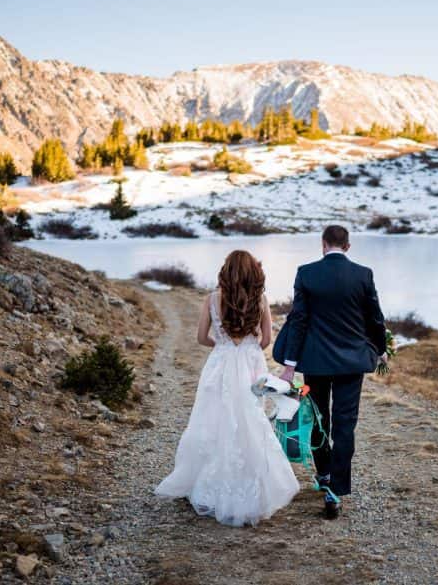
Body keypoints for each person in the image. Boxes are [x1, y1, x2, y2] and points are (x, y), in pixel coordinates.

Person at [154, 251, 298, 526]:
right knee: (249, 421)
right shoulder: (261, 300)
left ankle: (210, 484)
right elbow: (266, 340)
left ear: (225, 272)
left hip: (219, 366)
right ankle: (248, 484)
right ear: (254, 273)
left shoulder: (211, 299)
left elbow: (201, 338)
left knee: (213, 420)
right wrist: (247, 347)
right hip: (250, 366)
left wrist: (222, 345)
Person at [278, 225, 386, 519]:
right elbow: (375, 318)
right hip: (352, 365)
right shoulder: (363, 275)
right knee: (344, 425)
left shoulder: (306, 273)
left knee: (318, 419)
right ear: (347, 247)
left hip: (315, 363)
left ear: (323, 244)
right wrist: (380, 348)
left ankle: (324, 475)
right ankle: (336, 490)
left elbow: (298, 321)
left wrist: (290, 365)